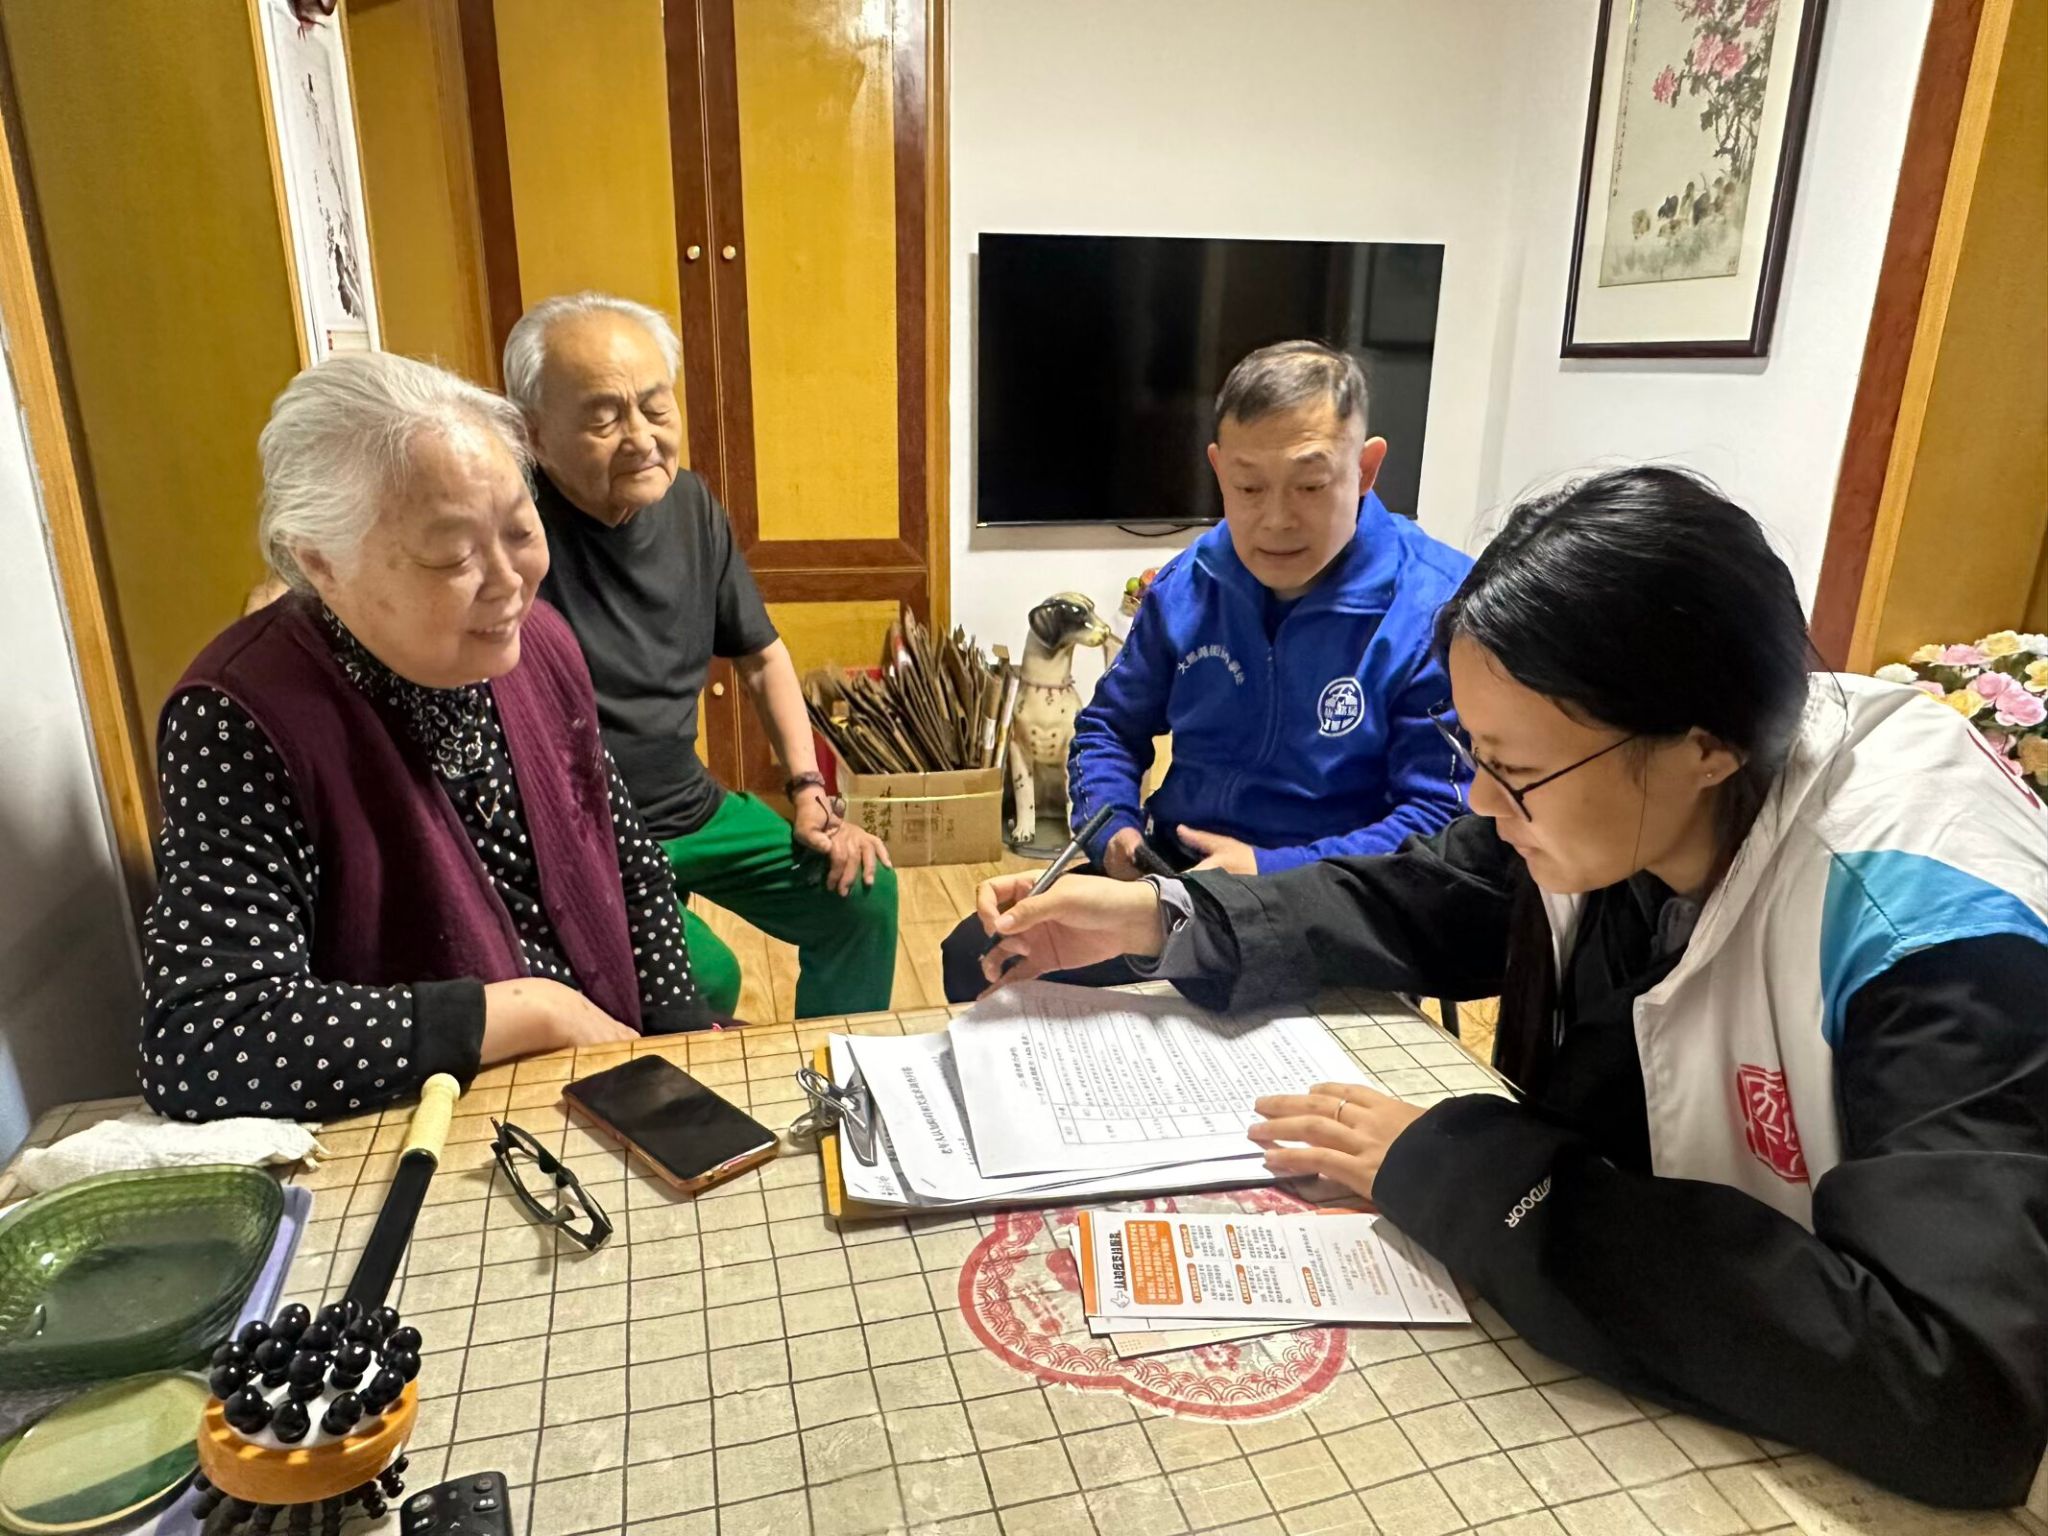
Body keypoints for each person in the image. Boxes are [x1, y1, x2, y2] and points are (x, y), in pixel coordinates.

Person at [968, 466, 2048, 1509]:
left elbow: (1954, 1396)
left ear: (1704, 745)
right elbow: (1431, 892)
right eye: (1470, 751)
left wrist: (1468, 1173)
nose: (1481, 801)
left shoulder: (1934, 937)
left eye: (1516, 771)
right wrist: (1167, 919)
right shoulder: (1629, 787)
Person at [139, 352, 709, 1124]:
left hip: (605, 1075)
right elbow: (204, 1042)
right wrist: (529, 1012)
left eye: (521, 528)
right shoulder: (241, 718)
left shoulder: (537, 640)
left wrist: (679, 1038)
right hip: (440, 1123)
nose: (509, 581)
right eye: (452, 555)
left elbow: (628, 862)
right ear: (322, 563)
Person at [941, 339, 1472, 1001]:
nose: (1275, 520)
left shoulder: (1437, 609)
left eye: (1310, 485)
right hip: (1173, 879)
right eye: (1248, 487)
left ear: (1366, 470)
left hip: (1331, 901)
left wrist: (1270, 867)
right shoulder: (1189, 584)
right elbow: (1109, 728)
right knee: (983, 953)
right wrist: (1113, 830)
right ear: (1218, 470)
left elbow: (1440, 820)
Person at [501, 293, 897, 1020]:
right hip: (577, 835)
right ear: (533, 433)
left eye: (656, 408)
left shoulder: (689, 504)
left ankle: (832, 1072)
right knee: (704, 977)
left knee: (861, 892)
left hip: (688, 804)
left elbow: (762, 658)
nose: (641, 439)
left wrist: (808, 789)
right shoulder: (504, 525)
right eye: (603, 419)